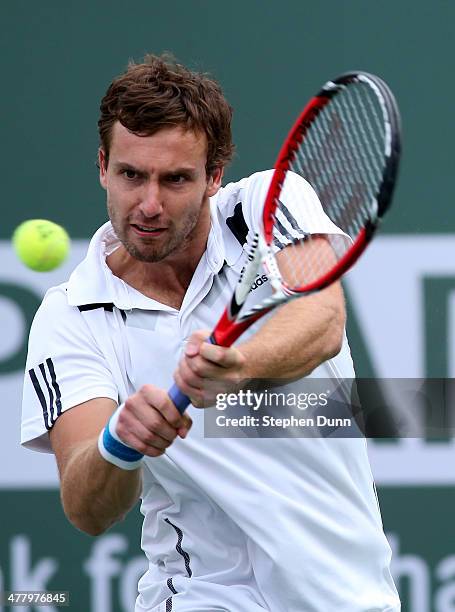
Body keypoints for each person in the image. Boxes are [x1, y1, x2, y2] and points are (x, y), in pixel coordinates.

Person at [21, 54, 400, 611]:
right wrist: (119, 444)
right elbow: (86, 507)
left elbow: (321, 318)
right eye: (131, 175)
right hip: (202, 596)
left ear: (214, 176)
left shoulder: (267, 206)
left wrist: (241, 366)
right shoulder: (71, 314)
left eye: (175, 179)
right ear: (103, 166)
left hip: (347, 595)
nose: (149, 205)